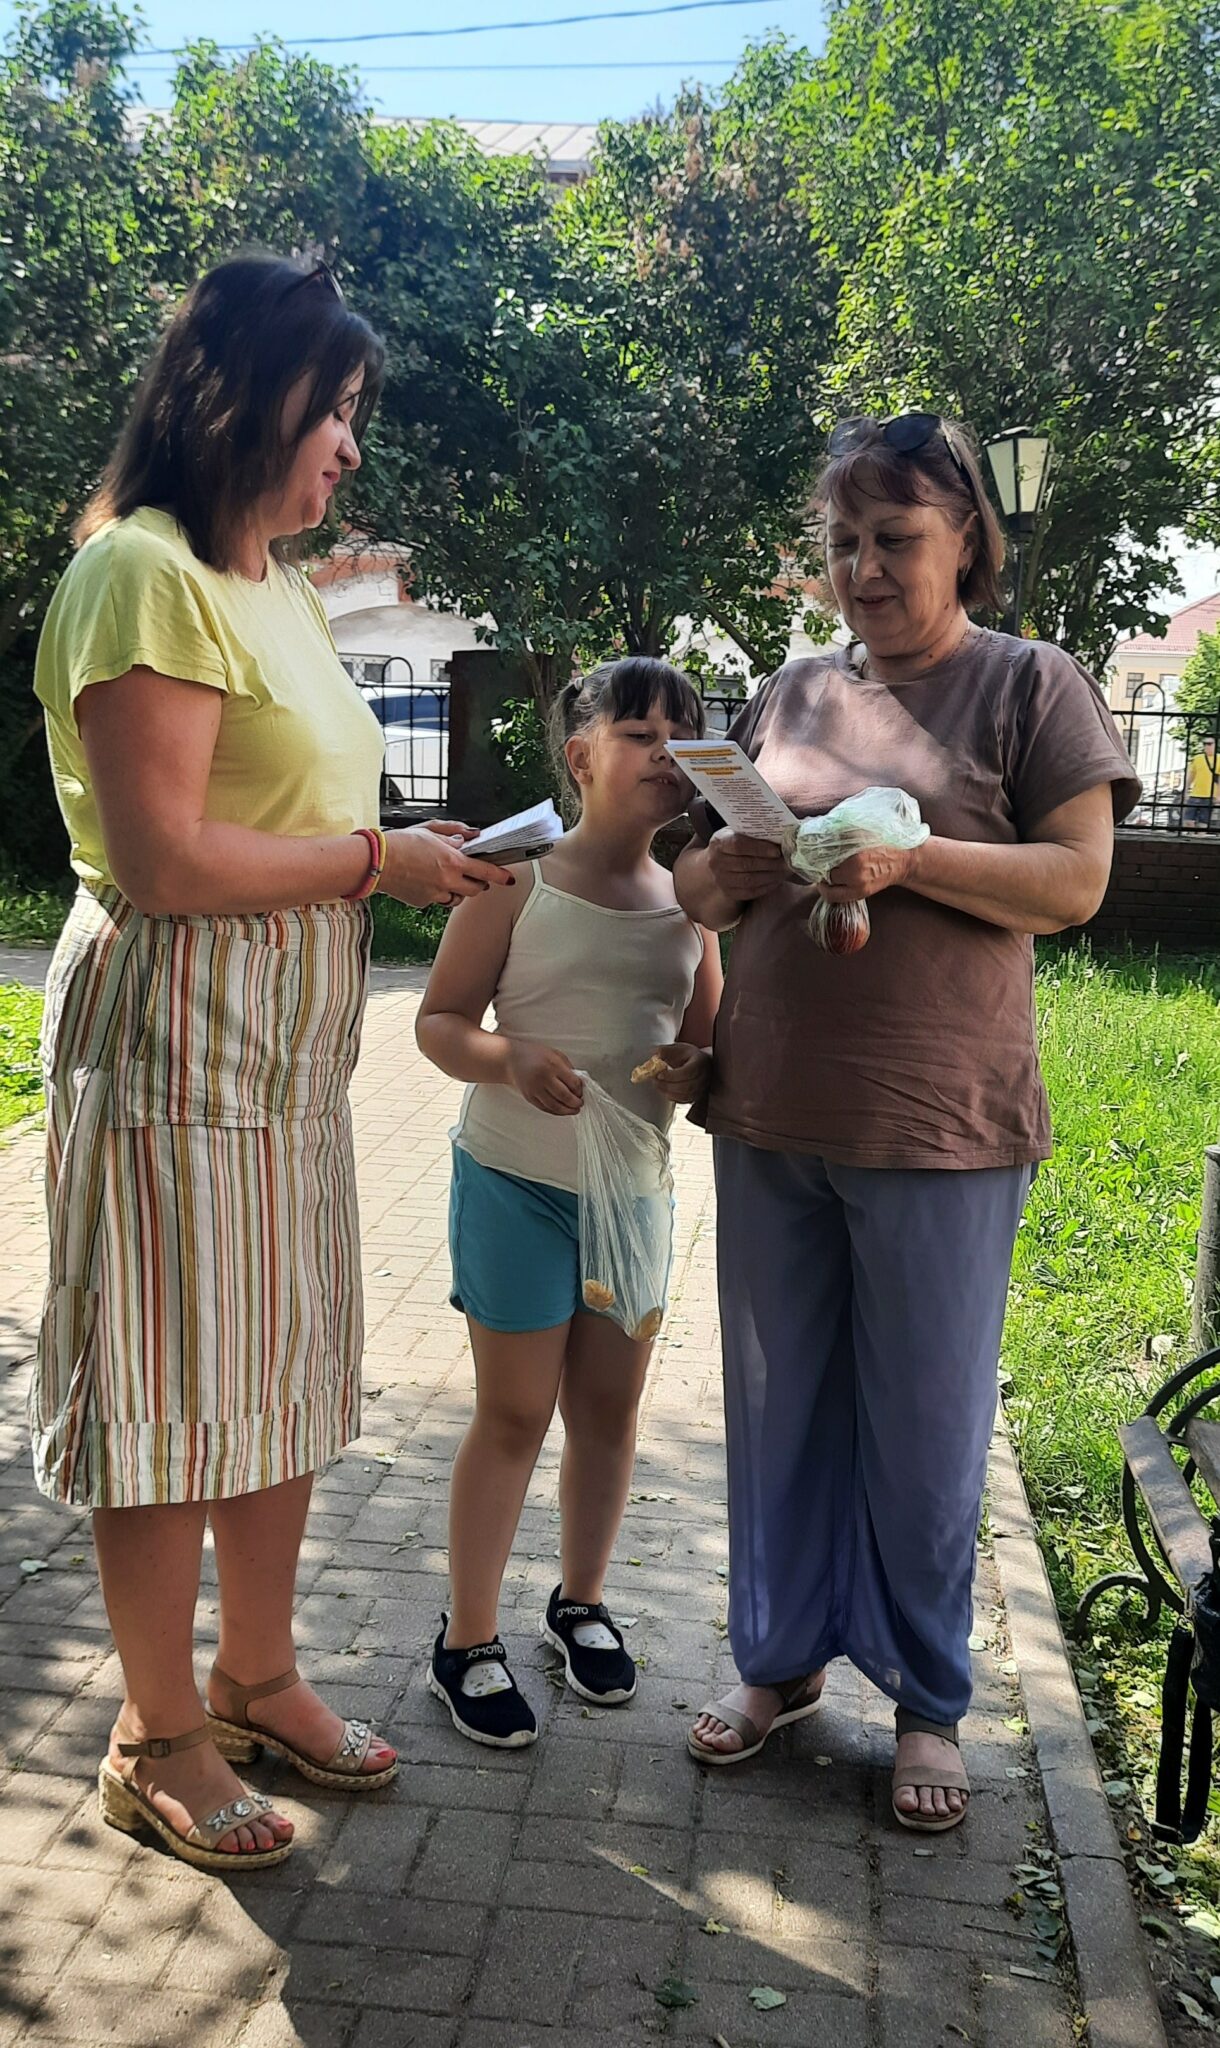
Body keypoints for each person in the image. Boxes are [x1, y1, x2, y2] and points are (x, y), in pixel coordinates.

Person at [30, 252, 513, 1873]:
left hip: (288, 1052)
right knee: (170, 1385)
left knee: (279, 1371)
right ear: (245, 397)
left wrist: (404, 847)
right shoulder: (139, 573)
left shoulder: (283, 591)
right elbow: (163, 857)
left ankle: (255, 1673)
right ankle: (156, 1733)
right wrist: (380, 862)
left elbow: (298, 807)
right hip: (174, 1032)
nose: (351, 448)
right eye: (336, 410)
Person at [675, 412, 1140, 1831]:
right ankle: (778, 1663)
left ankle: (930, 1702)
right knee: (777, 1407)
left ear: (965, 544)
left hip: (942, 1122)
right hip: (771, 1108)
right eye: (844, 542)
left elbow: (1075, 884)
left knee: (926, 1426)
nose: (865, 568)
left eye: (895, 538)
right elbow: (696, 883)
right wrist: (719, 875)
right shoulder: (790, 692)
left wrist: (911, 854)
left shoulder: (1028, 684)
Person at [415, 659, 723, 1745]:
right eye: (640, 733)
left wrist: (694, 1070)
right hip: (514, 1186)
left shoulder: (693, 903)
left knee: (606, 1413)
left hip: (630, 1199)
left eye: (682, 736)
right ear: (580, 756)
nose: (665, 754)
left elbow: (706, 1043)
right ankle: (467, 1639)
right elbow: (439, 1021)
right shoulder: (517, 884)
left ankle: (580, 1601)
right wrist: (506, 1058)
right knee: (512, 1414)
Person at [1185, 737, 1217, 829]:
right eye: (1205, 744)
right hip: (1195, 794)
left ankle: (1200, 836)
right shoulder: (1197, 758)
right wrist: (1186, 790)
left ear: (1215, 745)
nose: (1207, 746)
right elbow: (1191, 775)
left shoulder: (1218, 759)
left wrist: (1218, 795)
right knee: (1188, 819)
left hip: (1210, 795)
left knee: (1203, 821)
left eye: (1209, 743)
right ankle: (1191, 836)